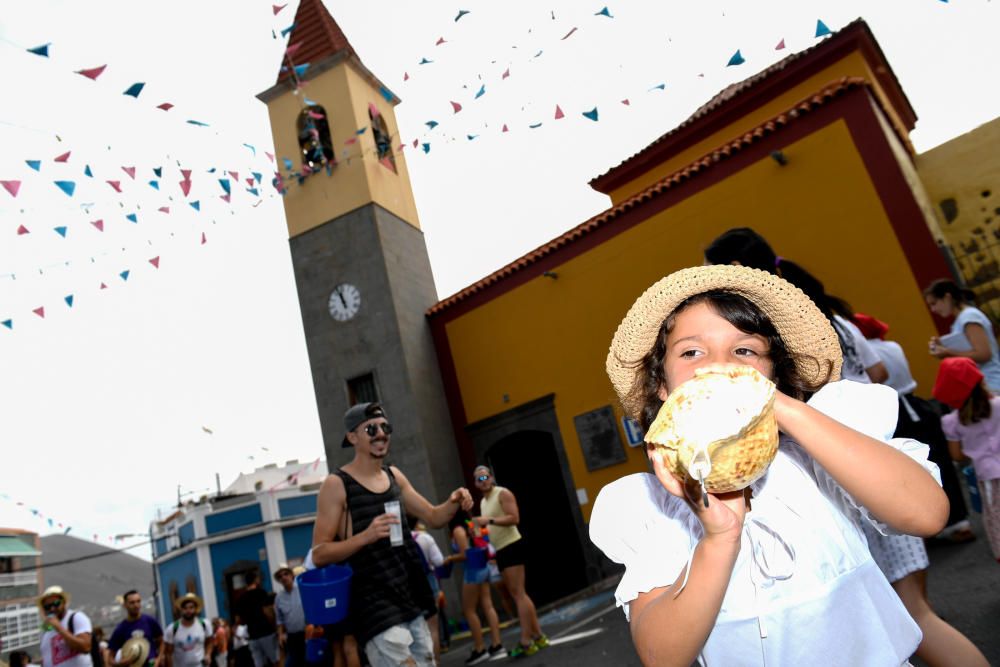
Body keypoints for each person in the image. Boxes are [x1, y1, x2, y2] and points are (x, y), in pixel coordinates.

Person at [591, 264, 951, 666]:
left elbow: (926, 514)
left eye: (744, 350)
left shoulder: (816, 458)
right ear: (662, 385)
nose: (719, 364)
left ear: (774, 375)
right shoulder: (656, 508)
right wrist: (719, 539)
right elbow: (662, 656)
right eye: (691, 352)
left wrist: (777, 405)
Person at [310, 402, 474, 667]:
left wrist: (454, 500)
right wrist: (366, 535)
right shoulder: (336, 484)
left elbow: (433, 516)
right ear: (352, 437)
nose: (381, 434)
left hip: (409, 593)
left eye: (385, 427)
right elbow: (319, 554)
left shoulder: (394, 475)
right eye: (371, 428)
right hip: (373, 604)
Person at [704, 227, 888, 384]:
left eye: (711, 274)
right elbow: (878, 372)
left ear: (735, 267)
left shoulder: (774, 326)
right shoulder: (832, 319)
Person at [853, 313, 973, 542]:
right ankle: (959, 521)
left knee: (910, 469)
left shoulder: (866, 353)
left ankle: (923, 526)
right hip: (919, 405)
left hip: (893, 411)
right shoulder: (893, 346)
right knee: (940, 462)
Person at [471, 466, 547, 658]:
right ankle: (538, 636)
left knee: (518, 594)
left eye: (485, 476)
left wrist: (488, 520)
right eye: (478, 479)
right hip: (500, 549)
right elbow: (490, 527)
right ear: (475, 483)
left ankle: (525, 640)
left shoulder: (502, 493)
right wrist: (479, 532)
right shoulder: (483, 502)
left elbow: (514, 518)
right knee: (518, 594)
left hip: (512, 544)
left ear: (491, 477)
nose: (483, 481)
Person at [936, 357, 1000, 563]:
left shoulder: (951, 421)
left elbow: (957, 455)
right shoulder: (998, 404)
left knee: (996, 518)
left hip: (988, 476)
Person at [444, 510, 505, 664]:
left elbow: (466, 554)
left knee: (469, 610)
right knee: (488, 605)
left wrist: (450, 558)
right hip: (483, 566)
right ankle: (497, 644)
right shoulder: (472, 524)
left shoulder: (458, 529)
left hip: (472, 569)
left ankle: (479, 648)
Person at [924, 278, 1000, 389]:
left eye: (934, 303)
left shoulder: (969, 317)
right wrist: (943, 344)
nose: (933, 309)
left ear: (947, 298)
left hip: (992, 383)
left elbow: (984, 354)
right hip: (986, 384)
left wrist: (948, 352)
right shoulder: (962, 319)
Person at [409, 518, 447, 664]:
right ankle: (435, 662)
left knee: (414, 630)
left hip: (408, 586)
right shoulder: (425, 538)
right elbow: (439, 561)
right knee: (433, 628)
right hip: (428, 581)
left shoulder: (396, 540)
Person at [38, 585, 93, 667]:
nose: (52, 609)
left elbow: (85, 647)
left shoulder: (76, 618)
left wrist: (59, 628)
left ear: (64, 602)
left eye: (56, 603)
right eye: (47, 606)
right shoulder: (45, 630)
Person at [107, 590, 164, 667]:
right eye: (132, 602)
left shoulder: (150, 621)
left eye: (138, 601)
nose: (136, 605)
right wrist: (120, 664)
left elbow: (161, 642)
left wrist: (158, 659)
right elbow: (110, 658)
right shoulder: (120, 628)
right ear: (125, 605)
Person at [234, 571, 277, 667]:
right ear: (256, 580)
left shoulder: (241, 599)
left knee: (259, 664)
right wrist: (275, 626)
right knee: (275, 661)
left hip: (252, 636)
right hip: (266, 632)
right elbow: (268, 612)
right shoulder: (261, 593)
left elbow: (238, 620)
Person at [164, 594, 212, 667]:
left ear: (196, 609)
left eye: (191, 607)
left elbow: (210, 642)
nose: (188, 610)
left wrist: (208, 654)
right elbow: (168, 653)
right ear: (181, 610)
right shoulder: (172, 628)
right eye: (185, 608)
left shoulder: (205, 624)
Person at [272, 564, 305, 667]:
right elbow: (279, 620)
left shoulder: (302, 589)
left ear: (291, 575)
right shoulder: (278, 598)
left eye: (286, 574)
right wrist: (281, 635)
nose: (283, 577)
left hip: (307, 634)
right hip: (292, 637)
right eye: (280, 576)